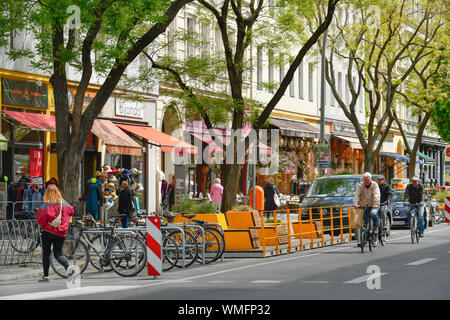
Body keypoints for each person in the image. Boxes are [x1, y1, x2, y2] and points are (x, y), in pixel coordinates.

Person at [36, 182, 74, 282]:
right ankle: (69, 269)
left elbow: (40, 219)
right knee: (58, 254)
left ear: (47, 193)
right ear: (58, 192)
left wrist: (45, 225)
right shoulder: (65, 204)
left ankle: (46, 276)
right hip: (61, 233)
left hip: (48, 232)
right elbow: (72, 211)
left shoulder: (46, 205)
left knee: (46, 253)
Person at [353, 172, 380, 246]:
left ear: (370, 179)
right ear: (363, 180)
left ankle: (375, 227)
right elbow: (357, 194)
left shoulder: (374, 185)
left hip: (374, 204)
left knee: (373, 213)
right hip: (365, 205)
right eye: (365, 180)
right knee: (364, 221)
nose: (367, 181)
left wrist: (375, 204)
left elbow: (376, 194)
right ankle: (363, 240)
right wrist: (355, 203)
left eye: (368, 180)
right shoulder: (360, 185)